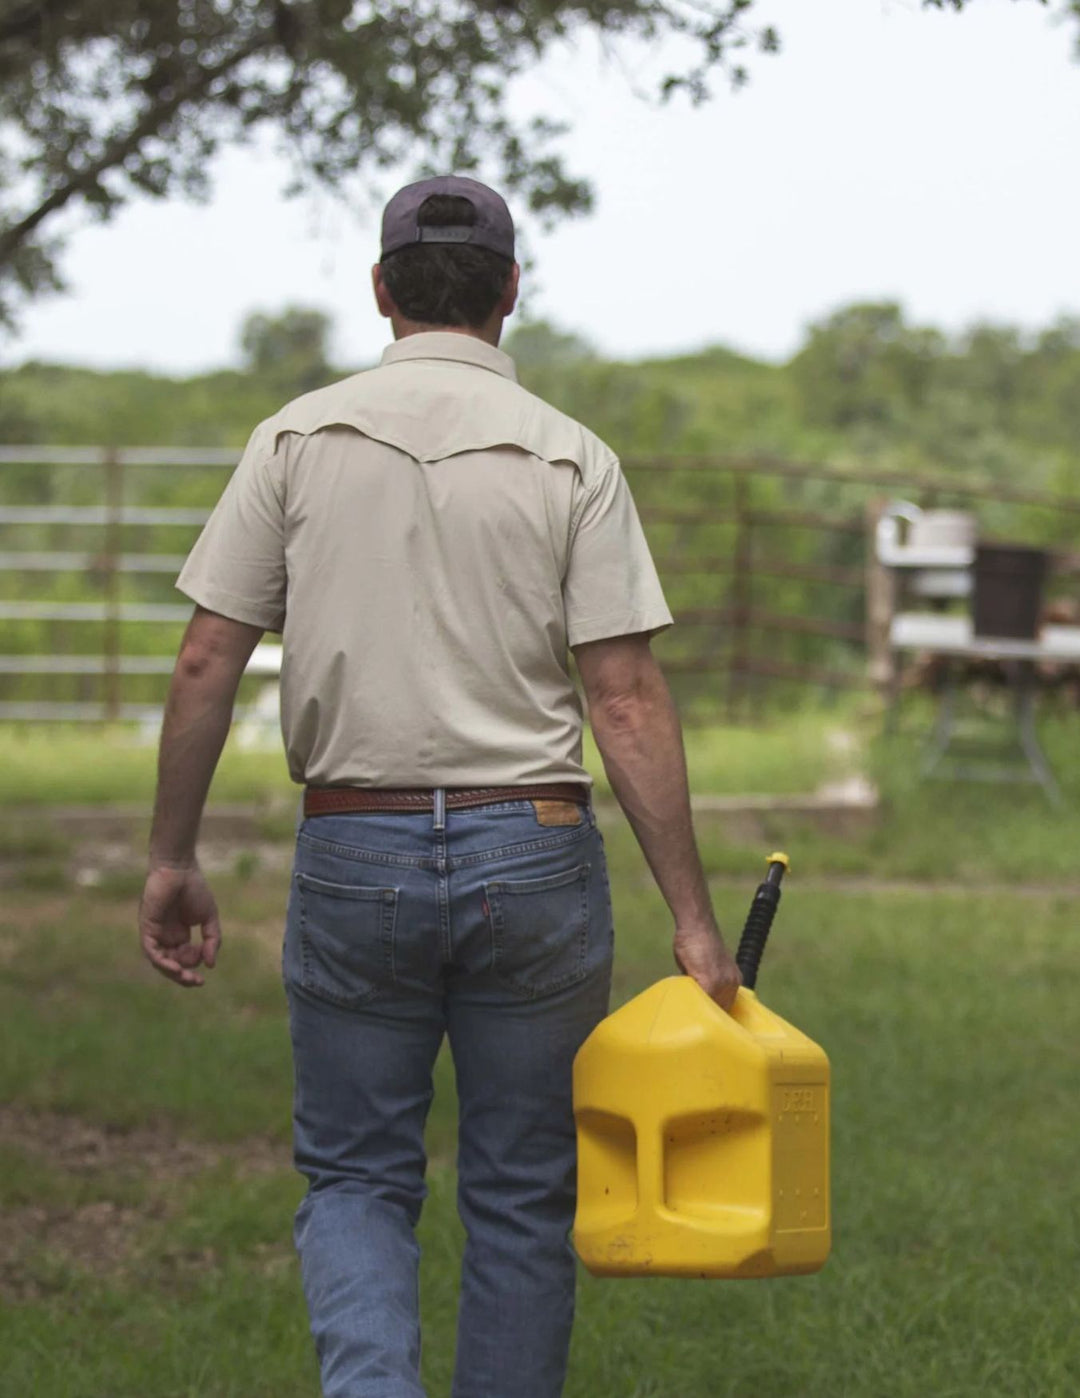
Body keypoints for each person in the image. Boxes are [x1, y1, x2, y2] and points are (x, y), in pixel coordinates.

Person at [137, 174, 741, 1398]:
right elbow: (623, 696)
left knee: (358, 1177)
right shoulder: (574, 456)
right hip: (535, 849)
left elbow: (209, 653)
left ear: (382, 290)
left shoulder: (295, 441)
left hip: (356, 852)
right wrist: (692, 920)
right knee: (521, 1186)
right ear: (512, 293)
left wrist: (172, 856)